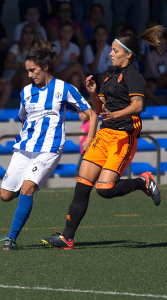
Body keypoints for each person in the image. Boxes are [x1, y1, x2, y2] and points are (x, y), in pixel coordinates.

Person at [41, 25, 164, 250]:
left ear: (128, 54)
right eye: (111, 49)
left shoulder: (134, 76)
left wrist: (115, 114)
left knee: (105, 189)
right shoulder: (106, 76)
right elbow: (100, 109)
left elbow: (138, 106)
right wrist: (91, 93)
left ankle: (142, 182)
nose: (110, 53)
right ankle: (67, 237)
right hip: (104, 134)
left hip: (123, 138)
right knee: (82, 185)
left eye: (115, 50)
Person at [0, 40, 98, 251]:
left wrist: (90, 137)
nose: (29, 75)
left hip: (49, 149)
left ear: (45, 68)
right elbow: (23, 118)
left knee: (27, 188)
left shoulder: (64, 88)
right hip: (24, 148)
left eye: (32, 70)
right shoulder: (25, 92)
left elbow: (91, 113)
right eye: (27, 71)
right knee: (6, 195)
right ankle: (26, 192)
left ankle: (11, 239)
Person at [53, 21, 87, 92]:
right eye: (64, 32)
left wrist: (73, 62)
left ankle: (75, 100)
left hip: (68, 76)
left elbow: (75, 67)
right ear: (60, 32)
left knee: (75, 77)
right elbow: (54, 67)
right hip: (55, 77)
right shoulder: (54, 46)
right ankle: (91, 92)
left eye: (69, 32)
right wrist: (62, 50)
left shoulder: (75, 47)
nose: (66, 34)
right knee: (77, 66)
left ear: (72, 33)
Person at [3, 24, 37, 91]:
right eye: (26, 32)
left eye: (31, 32)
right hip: (12, 79)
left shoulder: (35, 50)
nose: (28, 35)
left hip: (30, 79)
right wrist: (22, 65)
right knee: (25, 76)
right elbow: (6, 65)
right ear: (22, 35)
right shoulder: (16, 47)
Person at [144, 33, 167, 106]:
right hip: (151, 79)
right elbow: (154, 74)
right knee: (152, 86)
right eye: (160, 44)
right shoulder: (150, 56)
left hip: (163, 80)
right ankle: (160, 105)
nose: (162, 46)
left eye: (164, 44)